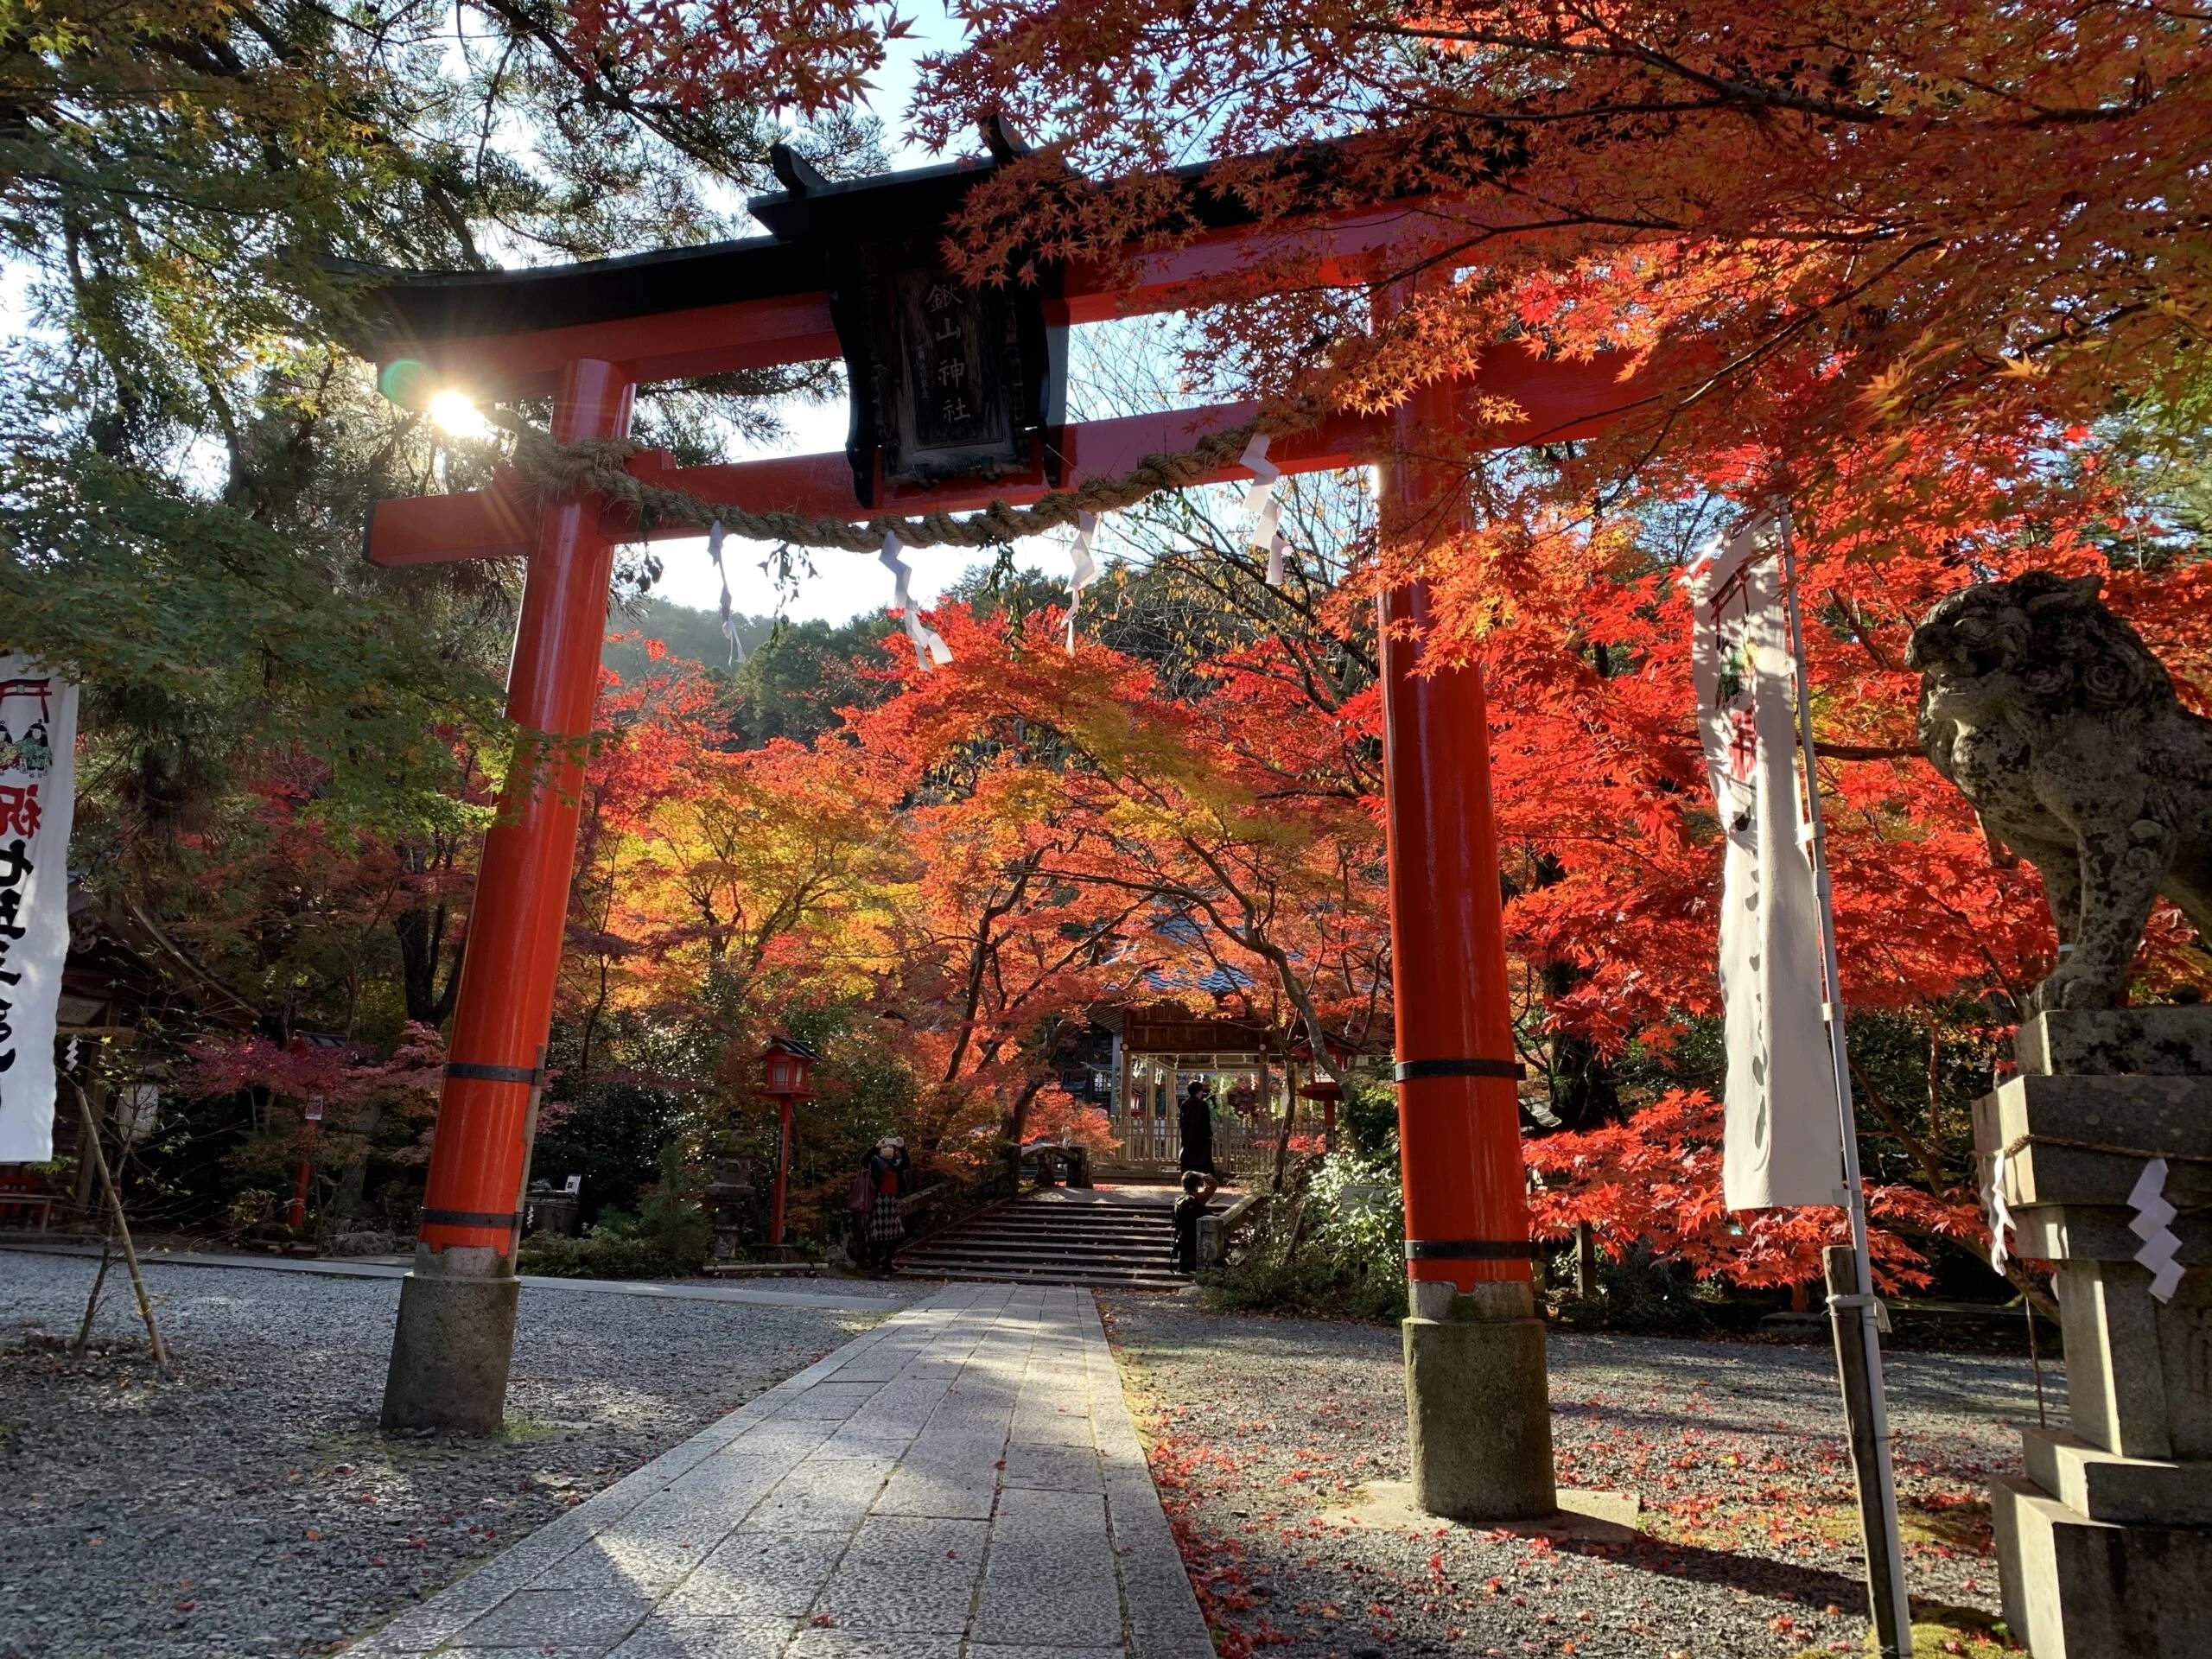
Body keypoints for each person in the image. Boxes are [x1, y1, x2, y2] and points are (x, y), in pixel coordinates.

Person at [856, 1135, 912, 1276]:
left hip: (892, 1200)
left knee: (897, 1233)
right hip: (878, 1200)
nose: (888, 1149)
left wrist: (902, 1147)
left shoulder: (896, 1163)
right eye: (885, 1147)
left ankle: (887, 1262)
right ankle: (875, 1268)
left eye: (890, 1147)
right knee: (878, 1235)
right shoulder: (875, 1161)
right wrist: (876, 1146)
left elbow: (906, 1163)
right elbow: (864, 1161)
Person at [1169, 1170, 1219, 1275]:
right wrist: (1200, 1174)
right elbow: (1214, 1184)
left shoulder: (1178, 1200)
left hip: (1183, 1239)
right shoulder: (1200, 1198)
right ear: (1197, 1184)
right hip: (1197, 1236)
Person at [1177, 1077, 1217, 1177]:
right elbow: (1206, 1122)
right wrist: (1209, 1135)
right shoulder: (1203, 1104)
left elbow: (1182, 1122)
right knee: (1202, 1163)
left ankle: (1188, 1184)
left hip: (1188, 1137)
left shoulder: (1184, 1104)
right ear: (1199, 1091)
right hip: (1201, 1138)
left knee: (1188, 1162)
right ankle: (1206, 1183)